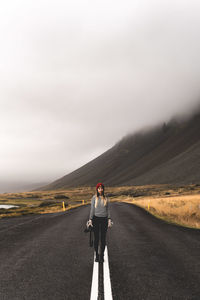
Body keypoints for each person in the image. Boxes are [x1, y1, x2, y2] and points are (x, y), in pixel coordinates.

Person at [88, 182, 112, 263]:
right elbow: (92, 209)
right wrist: (90, 220)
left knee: (103, 239)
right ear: (97, 189)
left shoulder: (106, 198)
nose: (100, 190)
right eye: (99, 188)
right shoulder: (94, 198)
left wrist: (109, 219)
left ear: (103, 189)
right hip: (96, 219)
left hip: (104, 220)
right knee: (96, 239)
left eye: (101, 188)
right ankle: (97, 256)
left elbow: (108, 210)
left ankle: (102, 255)